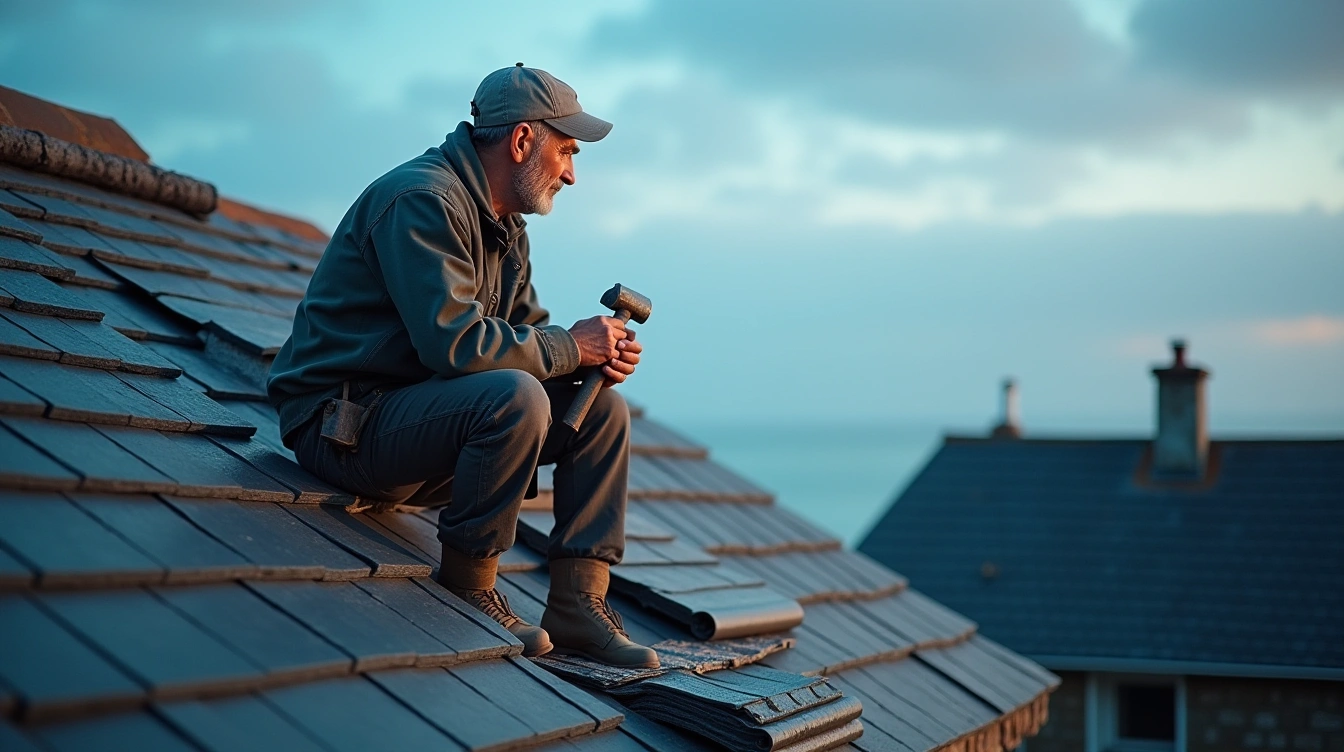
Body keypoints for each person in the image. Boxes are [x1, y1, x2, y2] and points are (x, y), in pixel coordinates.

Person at [266, 64, 657, 668]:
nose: (573, 174)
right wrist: (570, 346)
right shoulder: (422, 199)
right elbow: (454, 345)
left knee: (600, 407)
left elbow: (527, 338)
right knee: (515, 396)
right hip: (344, 428)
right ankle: (470, 588)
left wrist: (594, 358)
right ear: (523, 141)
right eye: (567, 151)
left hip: (420, 425)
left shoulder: (504, 225)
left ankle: (579, 604)